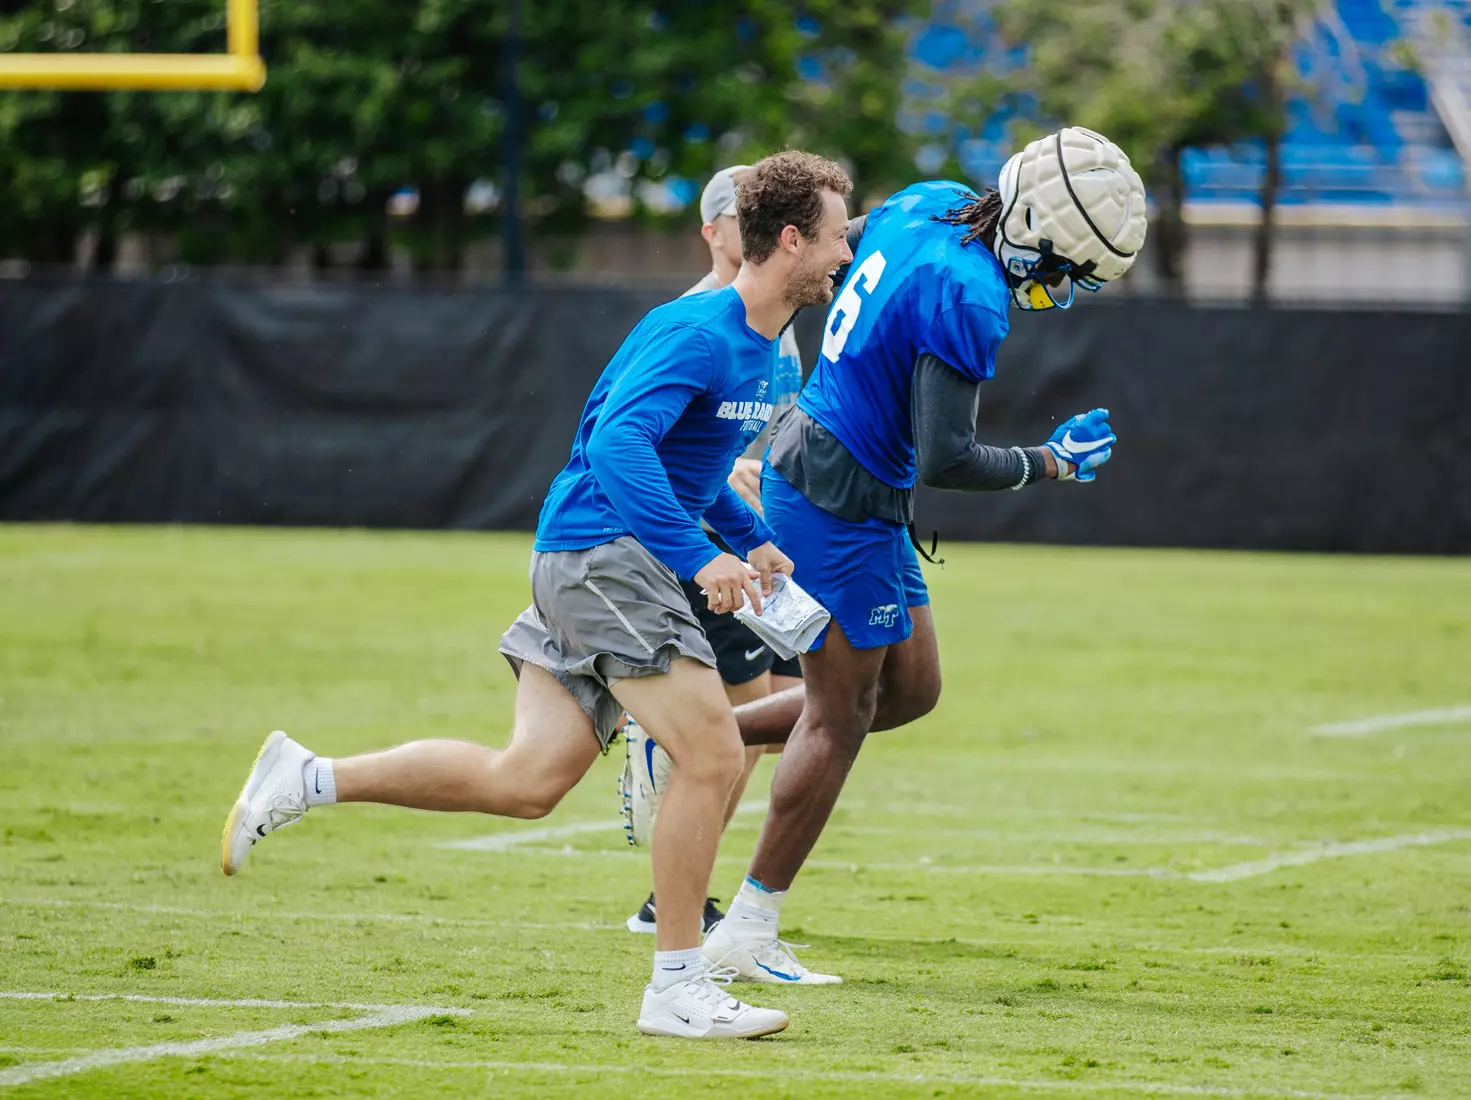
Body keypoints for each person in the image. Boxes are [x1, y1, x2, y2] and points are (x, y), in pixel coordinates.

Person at [218, 149, 856, 1039]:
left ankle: (309, 776)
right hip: (603, 559)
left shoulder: (751, 343)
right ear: (790, 240)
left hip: (592, 559)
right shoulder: (700, 332)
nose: (843, 252)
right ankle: (675, 984)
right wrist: (695, 556)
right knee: (712, 755)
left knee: (524, 781)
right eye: (836, 236)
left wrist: (750, 542)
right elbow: (617, 451)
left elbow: (690, 467)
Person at [632, 127, 1148, 986]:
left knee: (910, 690)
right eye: (1066, 270)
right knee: (840, 715)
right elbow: (948, 456)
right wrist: (1048, 464)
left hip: (849, 474)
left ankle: (687, 735)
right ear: (1036, 236)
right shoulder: (971, 294)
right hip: (840, 489)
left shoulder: (933, 201)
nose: (1060, 289)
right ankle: (748, 927)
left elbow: (843, 256)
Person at [620, 165, 806, 938]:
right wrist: (723, 482)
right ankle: (673, 898)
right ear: (713, 230)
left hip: (756, 537)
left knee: (766, 721)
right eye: (736, 215)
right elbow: (630, 440)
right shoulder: (699, 317)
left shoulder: (776, 320)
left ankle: (683, 882)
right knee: (738, 723)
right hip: (703, 545)